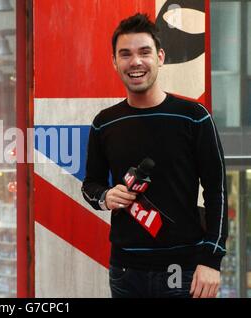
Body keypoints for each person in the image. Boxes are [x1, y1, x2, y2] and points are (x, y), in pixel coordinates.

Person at [81, 13, 227, 298]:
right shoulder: (104, 123)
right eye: (125, 54)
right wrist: (105, 197)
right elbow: (90, 185)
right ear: (114, 62)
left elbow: (217, 191)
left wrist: (212, 259)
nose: (135, 62)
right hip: (125, 272)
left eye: (144, 52)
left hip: (184, 270)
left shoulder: (194, 117)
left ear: (160, 57)